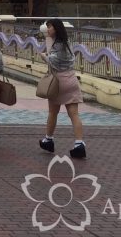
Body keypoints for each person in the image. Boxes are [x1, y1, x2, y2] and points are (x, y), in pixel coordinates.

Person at [39, 19, 86, 159]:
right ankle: (79, 144)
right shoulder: (68, 44)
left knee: (53, 112)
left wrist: (43, 56)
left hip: (58, 82)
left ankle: (49, 139)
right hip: (71, 79)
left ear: (56, 29)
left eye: (50, 27)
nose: (48, 30)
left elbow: (53, 61)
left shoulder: (57, 45)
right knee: (74, 114)